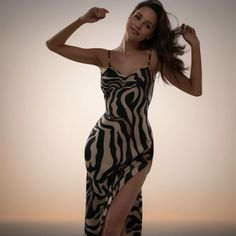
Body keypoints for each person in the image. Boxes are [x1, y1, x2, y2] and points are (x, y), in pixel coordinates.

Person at [46, 0, 202, 235]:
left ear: (151, 34)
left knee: (113, 226)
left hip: (138, 149)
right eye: (138, 17)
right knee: (102, 225)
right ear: (130, 16)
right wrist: (82, 20)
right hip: (102, 148)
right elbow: (53, 45)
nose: (139, 25)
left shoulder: (153, 60)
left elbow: (195, 88)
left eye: (148, 25)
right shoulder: (103, 57)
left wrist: (196, 46)